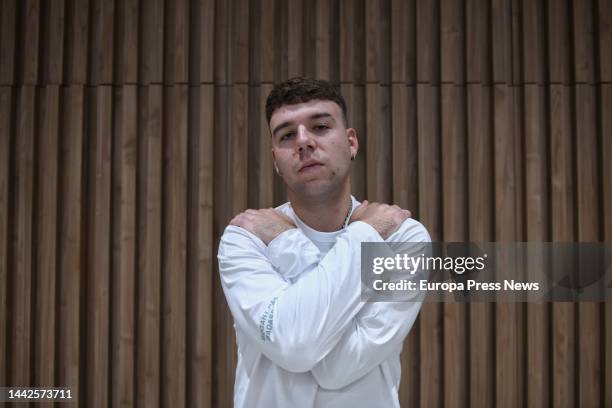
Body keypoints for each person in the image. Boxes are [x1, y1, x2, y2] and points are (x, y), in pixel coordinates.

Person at [217, 77, 431, 407]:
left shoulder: (404, 238)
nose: (304, 142)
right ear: (276, 161)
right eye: (287, 135)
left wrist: (287, 241)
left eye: (320, 126)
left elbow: (337, 368)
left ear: (351, 143)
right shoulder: (246, 238)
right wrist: (365, 236)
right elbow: (294, 346)